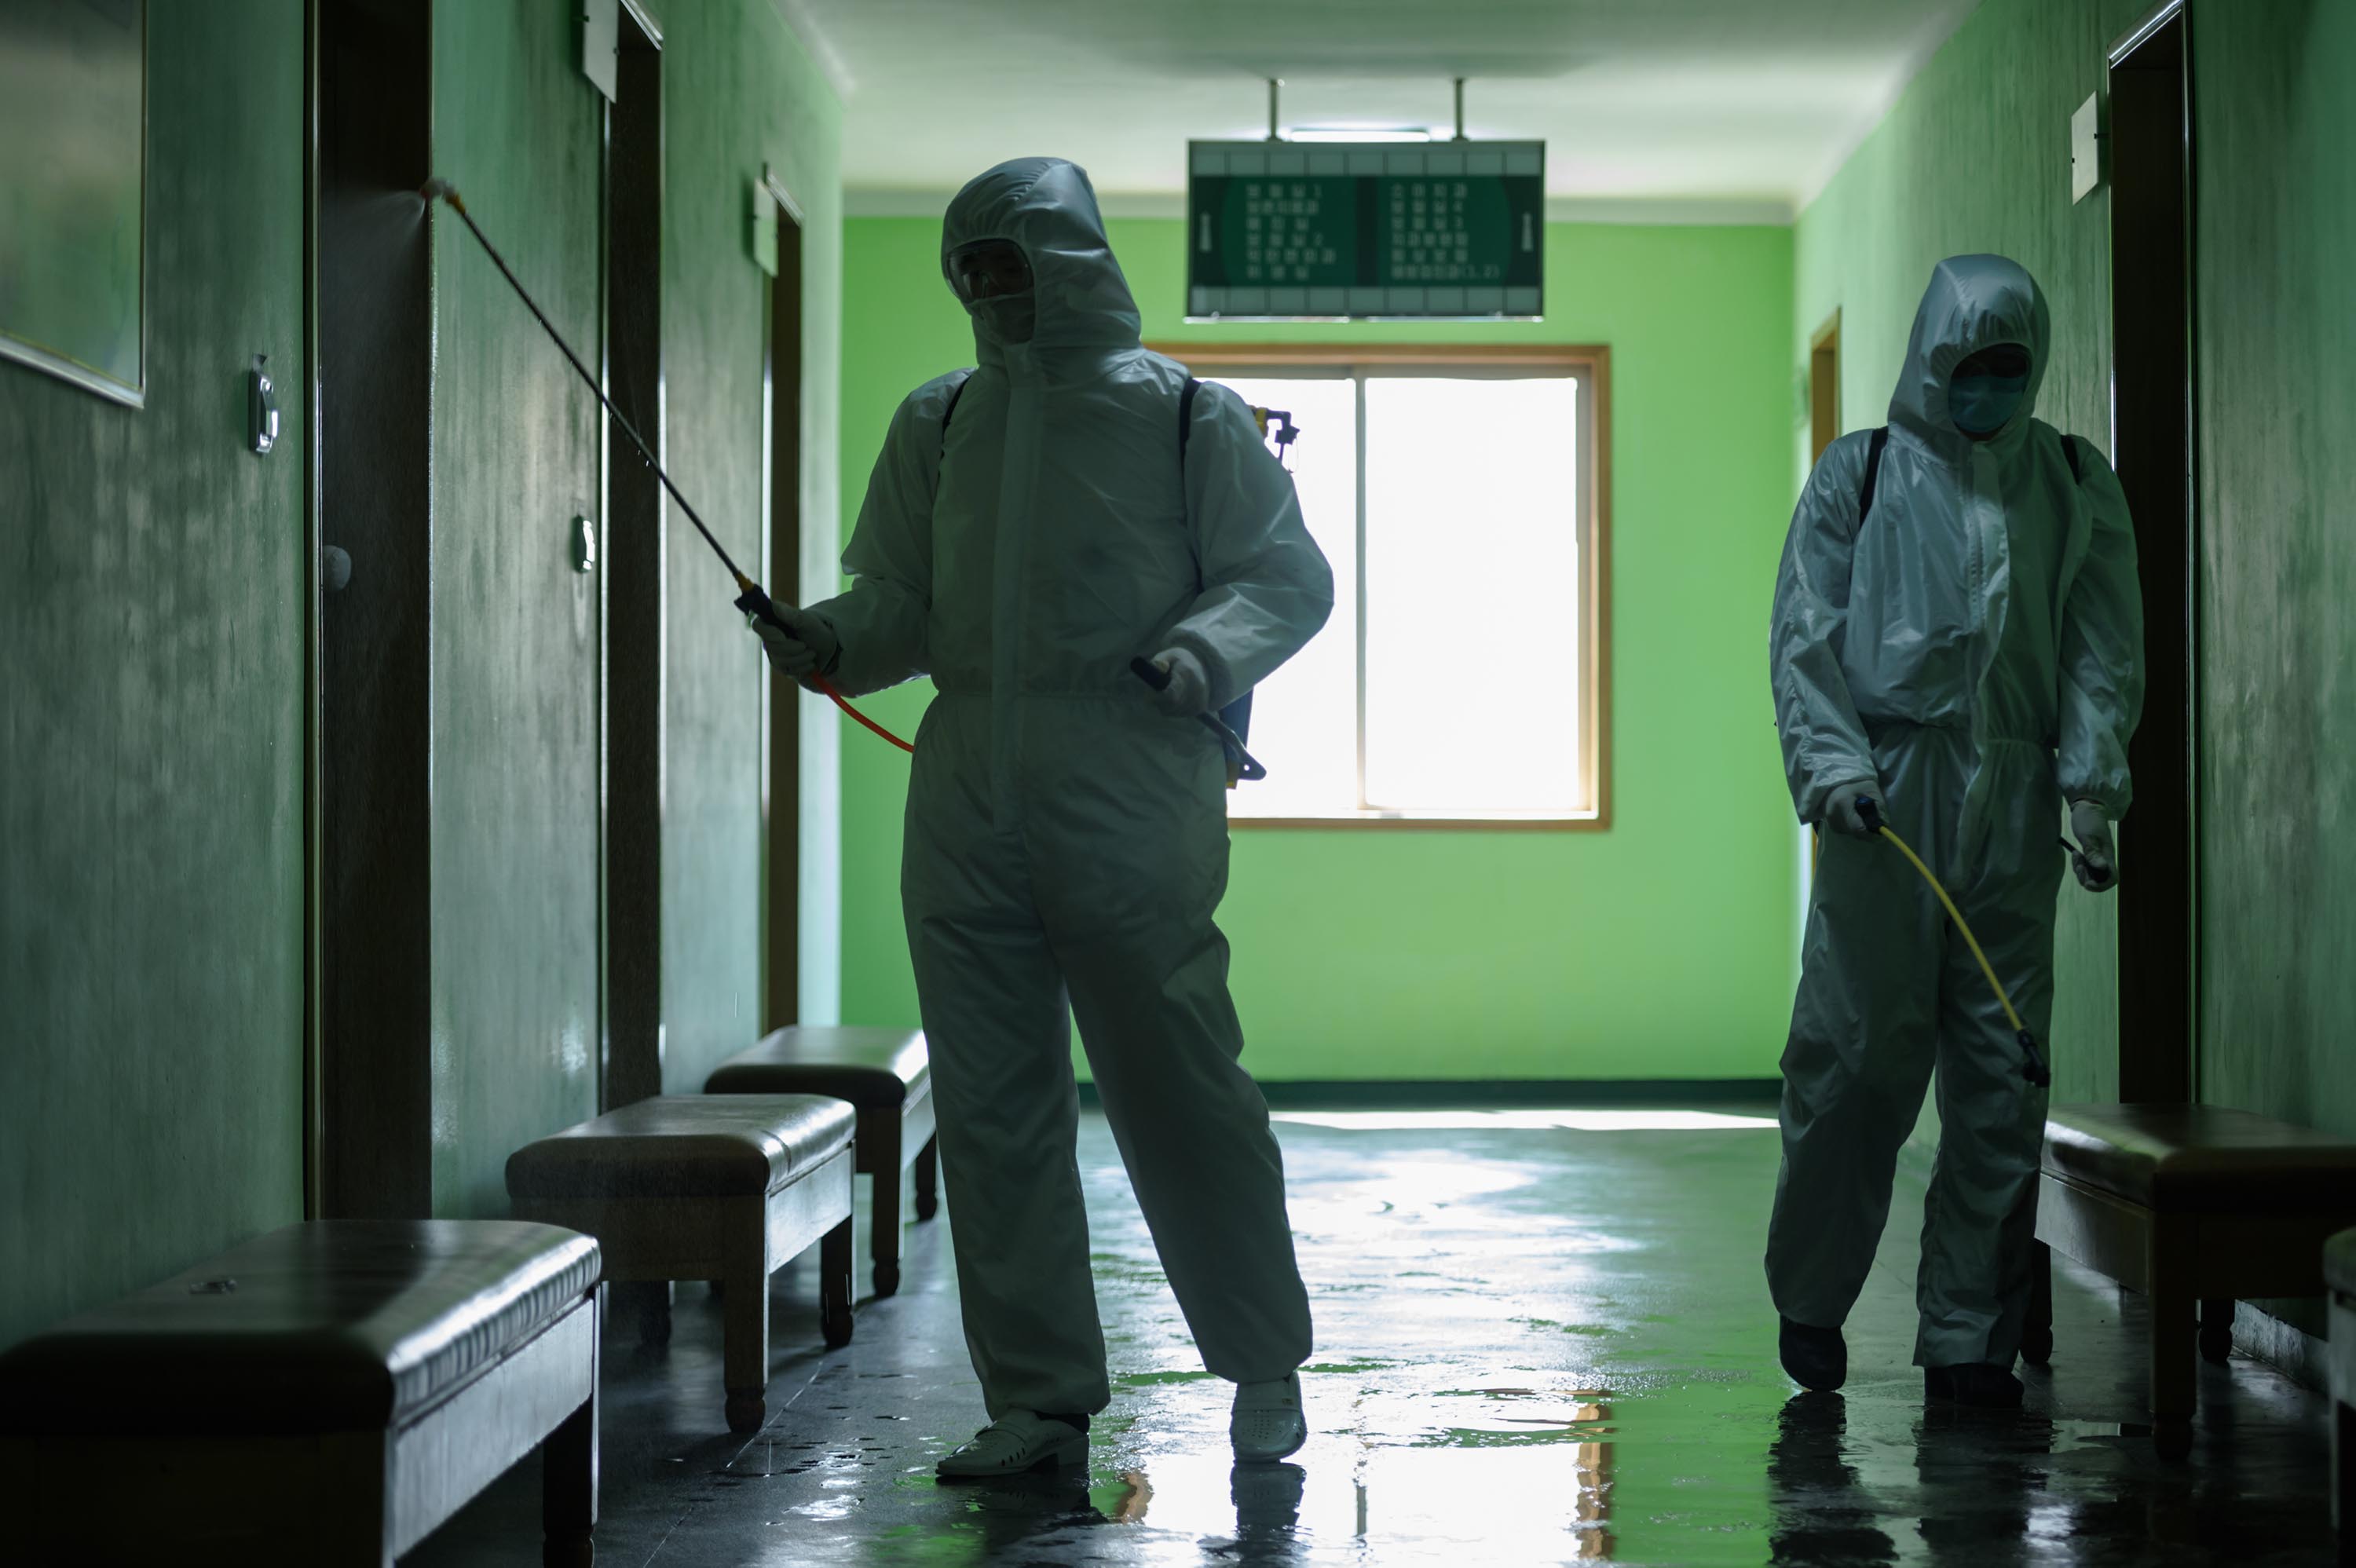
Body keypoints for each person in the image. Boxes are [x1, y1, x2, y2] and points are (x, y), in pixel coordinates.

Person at [752, 157, 1333, 1473]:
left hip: (1130, 770)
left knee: (1178, 1083)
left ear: (1068, 262)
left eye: (1008, 265)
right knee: (993, 1100)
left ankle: (1260, 1365)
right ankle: (1037, 1398)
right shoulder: (942, 419)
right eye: (970, 269)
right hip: (966, 783)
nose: (987, 291)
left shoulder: (1187, 415)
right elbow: (903, 598)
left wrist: (1201, 653)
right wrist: (828, 636)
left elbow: (1284, 577)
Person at [1765, 254, 2144, 1407]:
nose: (1985, 386)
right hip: (1890, 802)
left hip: (2015, 805)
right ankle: (1814, 1298)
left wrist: (2089, 787)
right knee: (1854, 1062)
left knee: (1998, 1077)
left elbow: (2097, 644)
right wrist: (1834, 766)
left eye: (2007, 368)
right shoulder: (1859, 475)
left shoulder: (2073, 480)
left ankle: (1970, 1336)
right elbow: (1804, 632)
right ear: (1931, 359)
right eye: (1966, 366)